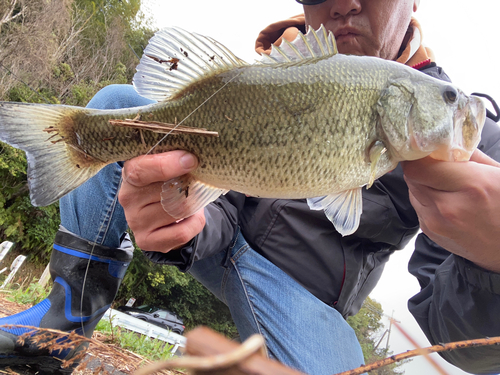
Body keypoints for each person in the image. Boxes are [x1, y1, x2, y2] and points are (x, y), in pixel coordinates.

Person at [1, 0, 500, 374]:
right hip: (221, 247)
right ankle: (61, 323)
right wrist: (185, 219)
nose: (346, 2)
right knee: (116, 104)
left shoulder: (481, 150)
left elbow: (468, 344)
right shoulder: (264, 74)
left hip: (305, 301)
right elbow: (231, 195)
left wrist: (494, 259)